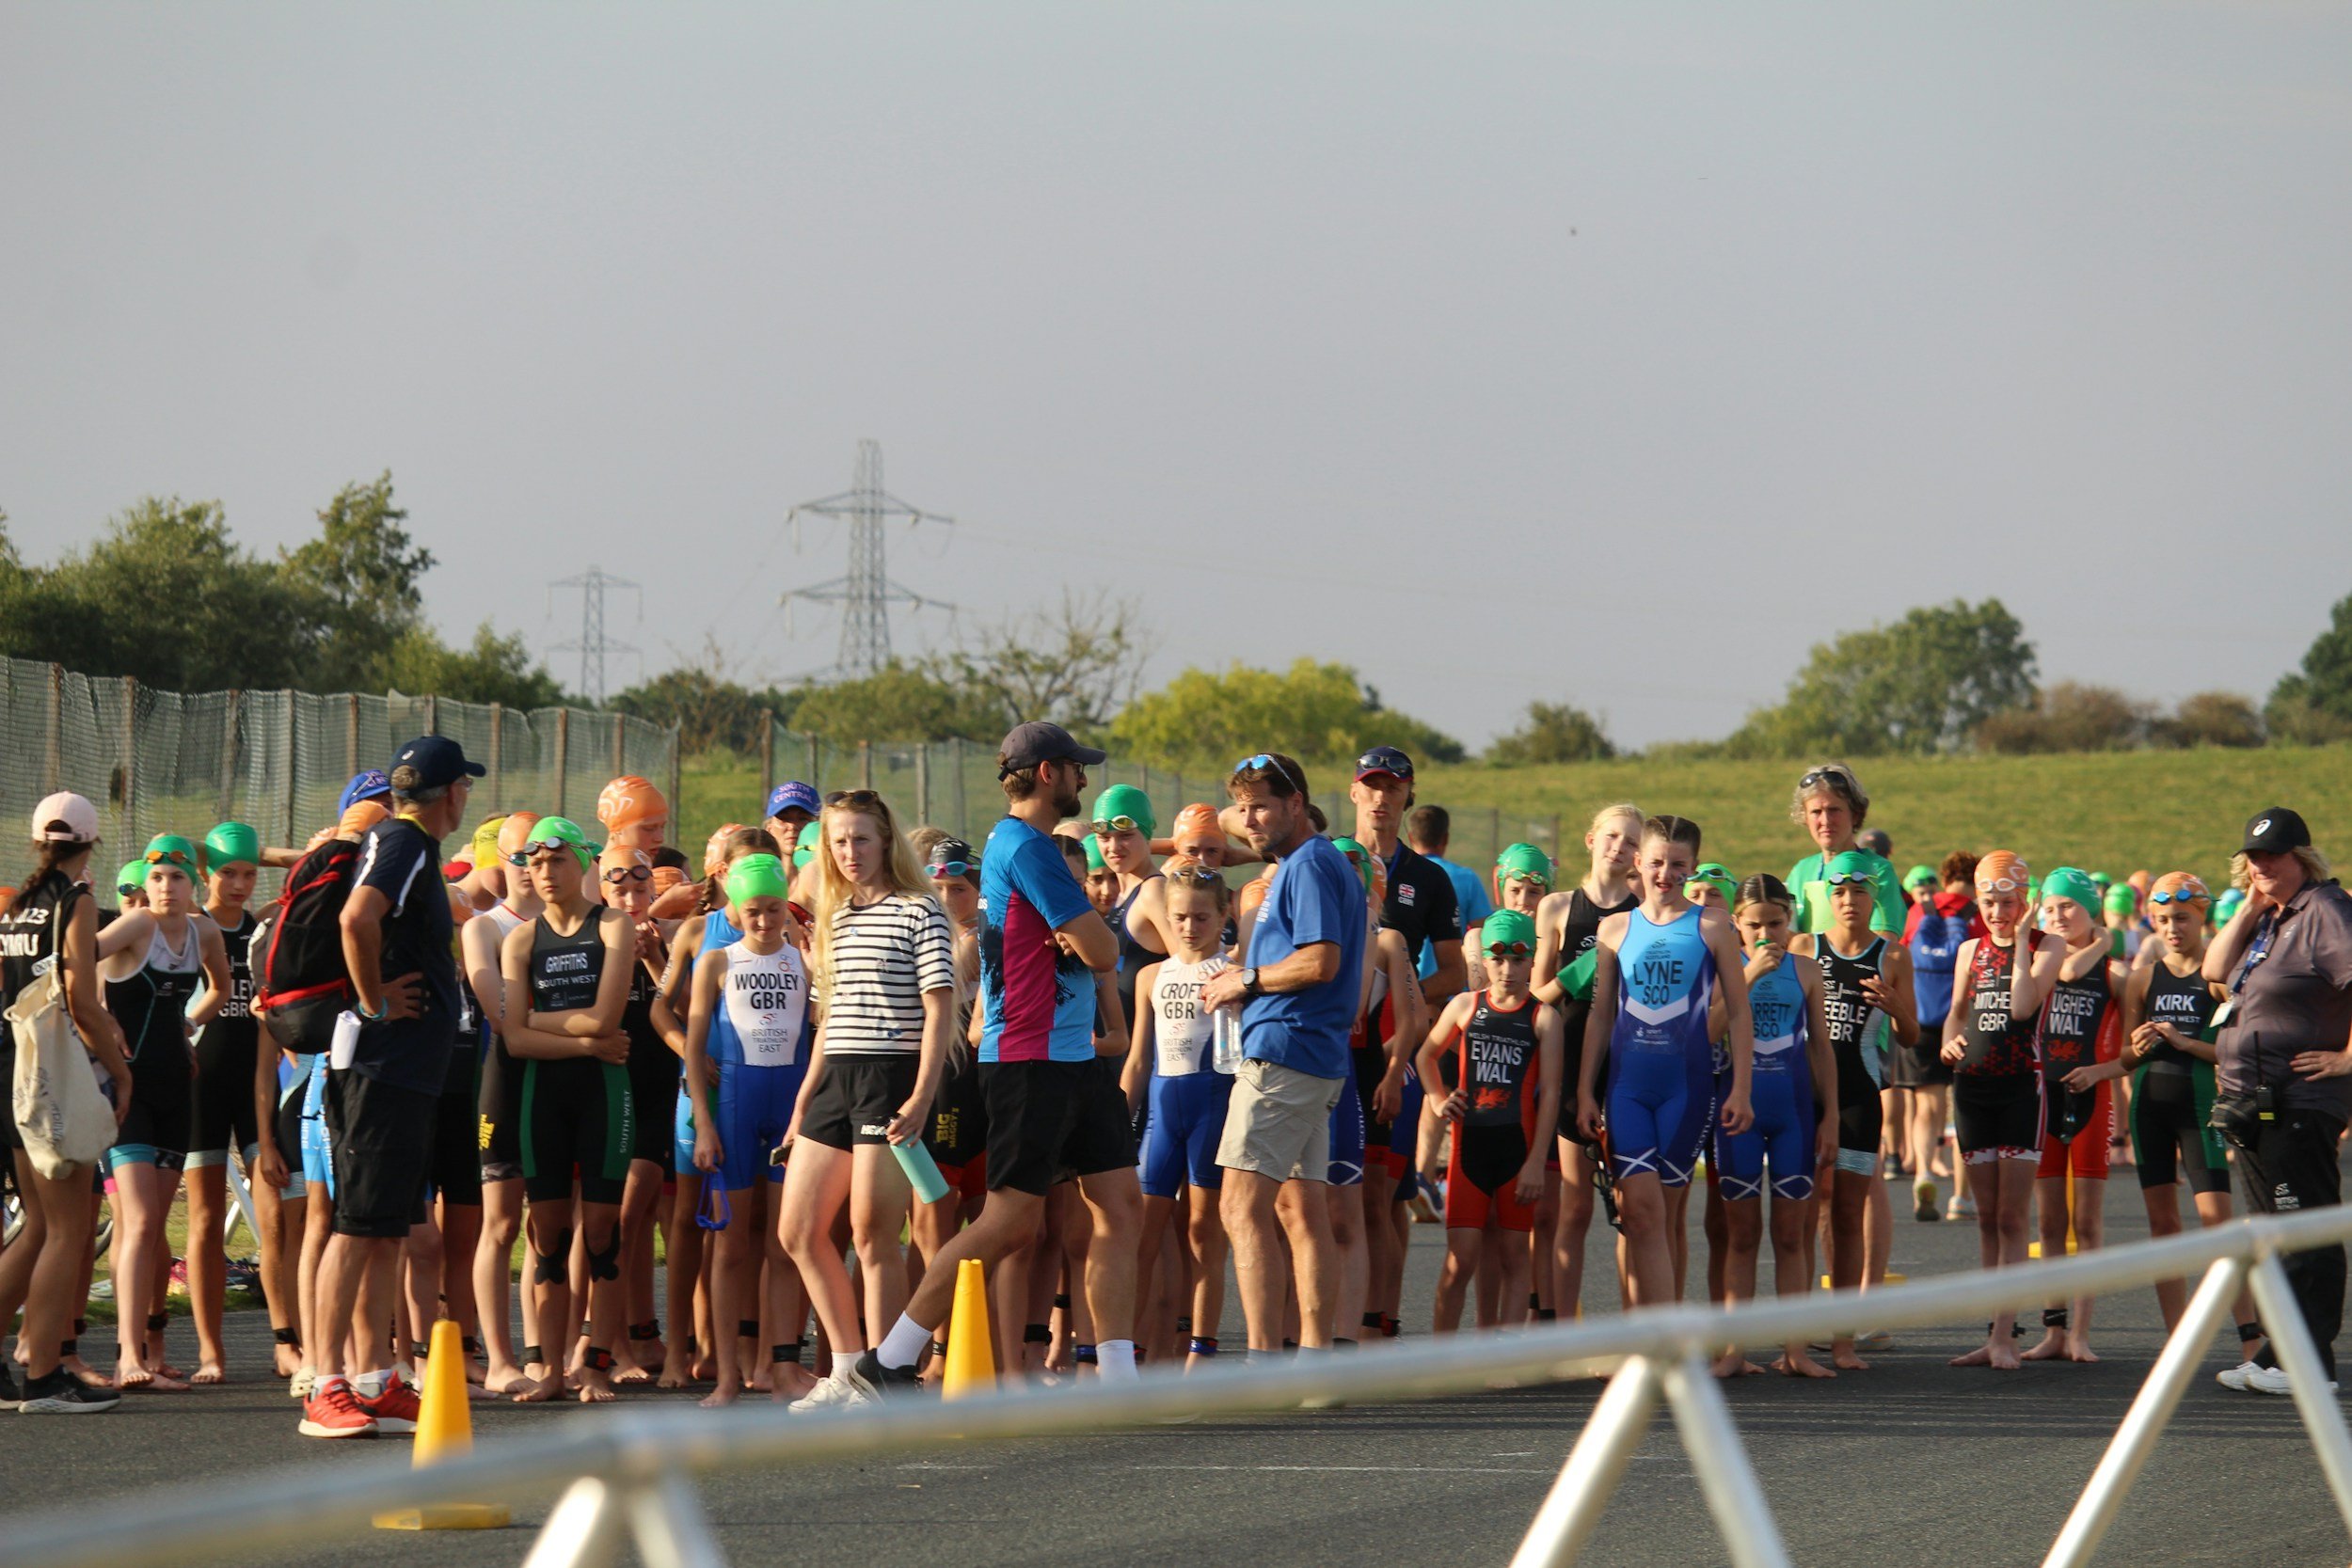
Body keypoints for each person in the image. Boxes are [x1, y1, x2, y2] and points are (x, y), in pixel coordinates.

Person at [860, 721, 1133, 1395]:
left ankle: (1121, 1375)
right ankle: (891, 1357)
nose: (1084, 780)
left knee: (1122, 1204)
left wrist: (1081, 938)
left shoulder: (1027, 845)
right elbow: (1103, 951)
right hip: (1030, 1057)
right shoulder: (1027, 845)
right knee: (1009, 1220)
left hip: (1072, 1057)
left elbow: (1094, 946)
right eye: (1075, 768)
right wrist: (1084, 938)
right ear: (1047, 774)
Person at [303, 736, 480, 1438]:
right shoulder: (404, 844)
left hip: (405, 1073)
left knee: (386, 1230)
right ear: (450, 793)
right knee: (355, 1228)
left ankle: (374, 1378)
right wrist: (374, 999)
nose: (467, 795)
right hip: (380, 1068)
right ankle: (326, 1382)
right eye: (464, 785)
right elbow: (356, 918)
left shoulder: (405, 845)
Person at [778, 789, 954, 1410]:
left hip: (891, 1077)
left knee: (874, 1233)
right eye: (839, 841)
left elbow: (939, 1012)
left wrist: (921, 1095)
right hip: (835, 1080)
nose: (850, 851)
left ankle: (884, 1379)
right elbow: (828, 1019)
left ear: (886, 841)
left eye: (861, 838)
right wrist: (803, 1107)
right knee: (799, 1229)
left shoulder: (919, 910)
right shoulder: (835, 914)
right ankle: (848, 1367)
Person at [1200, 752, 1366, 1354]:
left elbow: (1321, 962)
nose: (1249, 820)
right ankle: (1314, 1362)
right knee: (1302, 1214)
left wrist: (1244, 982)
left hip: (1287, 1055)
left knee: (1240, 1210)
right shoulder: (1300, 862)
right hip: (1304, 1056)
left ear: (1297, 803)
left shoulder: (1310, 865)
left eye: (1262, 805)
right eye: (1242, 809)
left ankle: (1263, 1361)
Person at [2066, 872, 2262, 1356]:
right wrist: (2100, 1069)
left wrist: (2183, 1041)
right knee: (2163, 1229)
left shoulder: (2219, 980)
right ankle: (2180, 1343)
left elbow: (2233, 1054)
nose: (2172, 929)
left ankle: (2251, 1340)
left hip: (2199, 1111)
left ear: (2201, 918)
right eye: (2163, 920)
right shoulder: (2142, 977)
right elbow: (2135, 1055)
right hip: (2150, 1109)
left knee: (2217, 1223)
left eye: (2182, 918)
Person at [1576, 815, 1754, 1309]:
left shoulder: (1715, 926)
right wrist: (1586, 1090)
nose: (1665, 874)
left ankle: (1662, 1339)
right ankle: (1650, 1339)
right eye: (1656, 863)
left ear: (1693, 867)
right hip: (1627, 1088)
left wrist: (1740, 1088)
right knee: (1639, 1217)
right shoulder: (1613, 929)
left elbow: (1738, 1012)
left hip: (1687, 1089)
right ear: (1639, 862)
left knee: (1662, 1217)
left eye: (1678, 865)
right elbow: (1600, 1017)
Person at [2204, 808, 2352, 1394]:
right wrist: (2247, 907)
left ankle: (2308, 1363)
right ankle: (2274, 1353)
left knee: (2302, 1228)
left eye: (2273, 856)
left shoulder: (2327, 910)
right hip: (2256, 1102)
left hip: (2301, 1098)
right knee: (2271, 1233)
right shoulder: (2272, 917)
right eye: (2253, 858)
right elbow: (2215, 973)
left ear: (2302, 857)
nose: (2261, 866)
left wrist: (2348, 1058)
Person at [0, 793, 133, 1414]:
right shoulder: (73, 900)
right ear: (91, 842)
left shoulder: (15, 903)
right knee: (68, 1227)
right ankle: (45, 1374)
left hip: (9, 1071)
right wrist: (116, 1066)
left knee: (36, 1224)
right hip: (47, 1076)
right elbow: (81, 997)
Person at [499, 816, 636, 1404]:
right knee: (547, 1236)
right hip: (544, 1095)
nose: (545, 873)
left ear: (583, 864)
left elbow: (608, 1018)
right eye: (534, 863)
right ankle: (552, 1370)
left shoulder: (614, 925)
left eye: (557, 861)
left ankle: (597, 1364)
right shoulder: (521, 940)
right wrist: (582, 1042)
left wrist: (538, 1022)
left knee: (602, 1235)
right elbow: (513, 1038)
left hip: (603, 1093)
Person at [101, 835, 233, 1390]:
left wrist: (186, 1028)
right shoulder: (135, 927)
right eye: (156, 879)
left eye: (176, 878)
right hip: (124, 1091)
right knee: (138, 1220)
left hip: (176, 1090)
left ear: (193, 885)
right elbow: (71, 964)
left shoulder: (204, 931)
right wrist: (102, 1025)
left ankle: (150, 1351)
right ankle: (128, 1355)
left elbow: (221, 988)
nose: (165, 888)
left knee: (152, 1227)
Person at [683, 853, 813, 1406]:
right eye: (753, 911)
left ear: (788, 906)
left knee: (784, 1245)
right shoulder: (716, 961)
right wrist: (705, 1124)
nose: (764, 922)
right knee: (730, 1247)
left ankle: (779, 1367)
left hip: (788, 1110)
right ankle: (729, 1375)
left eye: (774, 910)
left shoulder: (807, 961)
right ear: (735, 910)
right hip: (733, 1107)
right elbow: (692, 1049)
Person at [1789, 849, 1917, 1370]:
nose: (1848, 902)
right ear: (1827, 899)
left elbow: (1910, 1037)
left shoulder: (1893, 956)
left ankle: (1844, 1339)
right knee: (1808, 1211)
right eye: (1839, 893)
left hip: (1861, 1098)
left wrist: (1894, 1006)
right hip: (1807, 1095)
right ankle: (1805, 1330)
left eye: (1859, 893)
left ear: (1874, 899)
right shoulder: (1803, 947)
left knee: (1847, 1213)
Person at [1940, 849, 2063, 1371]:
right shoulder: (1968, 949)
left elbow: (2020, 1008)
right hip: (1971, 1088)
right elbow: (1956, 1015)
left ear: (2024, 903)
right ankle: (1994, 1334)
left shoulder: (2047, 945)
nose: (1997, 913)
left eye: (2008, 903)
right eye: (1989, 902)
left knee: (2013, 1217)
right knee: (1986, 1217)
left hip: (2020, 1089)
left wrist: (2018, 945)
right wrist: (1948, 1044)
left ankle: (2008, 1335)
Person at [1714, 875, 1836, 1378]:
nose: (1766, 935)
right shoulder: (1724, 967)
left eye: (1776, 924)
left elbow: (1820, 1046)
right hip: (1737, 1110)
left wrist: (1829, 1116)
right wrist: (1749, 976)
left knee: (1791, 1236)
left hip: (1792, 1112)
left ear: (1790, 922)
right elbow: (1706, 1030)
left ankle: (1796, 1350)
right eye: (1755, 925)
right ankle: (1734, 1352)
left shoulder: (1807, 969)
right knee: (1741, 1236)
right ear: (1736, 926)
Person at [1418, 909, 1562, 1333]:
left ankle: (1506, 1357)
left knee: (1516, 1256)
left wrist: (1537, 1161)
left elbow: (1551, 1092)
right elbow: (1426, 1055)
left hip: (1518, 1152)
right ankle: (1442, 1360)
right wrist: (1438, 1099)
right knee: (1459, 1261)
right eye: (1497, 959)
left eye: (1518, 959)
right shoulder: (1466, 1006)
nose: (1507, 970)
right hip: (1469, 1154)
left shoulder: (1544, 1018)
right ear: (1483, 960)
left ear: (1532, 960)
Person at [1533, 802, 1642, 1325]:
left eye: (1631, 841)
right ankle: (1563, 1330)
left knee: (1630, 1212)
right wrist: (1576, 975)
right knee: (1573, 1209)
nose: (1620, 846)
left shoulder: (1647, 911)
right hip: (1570, 1066)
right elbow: (1532, 998)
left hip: (1627, 1066)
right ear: (1591, 839)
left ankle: (1630, 1330)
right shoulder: (1557, 907)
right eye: (1612, 835)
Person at [1126, 860, 1237, 1370]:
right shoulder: (1151, 975)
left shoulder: (1235, 972)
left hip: (1213, 1106)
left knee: (1202, 1233)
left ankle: (1202, 1350)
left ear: (1223, 916)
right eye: (1178, 918)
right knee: (1143, 1236)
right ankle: (1130, 1351)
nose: (1189, 927)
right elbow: (1137, 1059)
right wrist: (1118, 1118)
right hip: (1161, 1111)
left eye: (1201, 917)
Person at [2022, 867, 2123, 1363]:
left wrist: (2100, 1071)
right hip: (2042, 1100)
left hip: (2090, 1100)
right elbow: (2064, 972)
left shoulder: (2117, 974)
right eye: (2050, 907)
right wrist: (2102, 940)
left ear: (2091, 910)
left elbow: (2132, 1051)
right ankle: (2054, 1331)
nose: (2058, 916)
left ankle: (2081, 1333)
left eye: (2069, 907)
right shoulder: (2042, 963)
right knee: (2048, 1224)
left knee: (2086, 1222)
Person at [184, 822, 271, 1383]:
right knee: (206, 1218)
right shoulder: (190, 927)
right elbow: (172, 846)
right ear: (203, 874)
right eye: (226, 873)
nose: (238, 885)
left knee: (279, 1214)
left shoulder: (266, 928)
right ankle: (210, 1349)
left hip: (257, 1084)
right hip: (201, 1086)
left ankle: (290, 1339)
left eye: (248, 873)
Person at [465, 810, 541, 1394]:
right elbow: (503, 1016)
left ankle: (542, 1351)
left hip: (566, 1084)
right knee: (500, 1225)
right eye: (518, 857)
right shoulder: (483, 928)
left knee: (553, 1225)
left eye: (539, 856)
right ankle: (499, 1357)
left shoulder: (578, 925)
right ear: (498, 861)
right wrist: (585, 1029)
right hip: (505, 1083)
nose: (530, 868)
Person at [1899, 851, 1980, 1221]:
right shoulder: (1978, 913)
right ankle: (1961, 1197)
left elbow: (1902, 951)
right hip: (1963, 1020)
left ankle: (1924, 1173)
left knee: (1927, 1107)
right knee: (1962, 1108)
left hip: (1921, 1016)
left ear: (1946, 878)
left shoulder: (1920, 910)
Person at [1350, 747, 1465, 1006]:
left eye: (1392, 788)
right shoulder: (1329, 857)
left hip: (1393, 1026)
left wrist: (1403, 1000)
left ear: (1409, 798)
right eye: (1372, 786)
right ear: (1354, 793)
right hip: (1330, 1013)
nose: (1380, 797)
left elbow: (1454, 974)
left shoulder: (1430, 876)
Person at [1784, 764, 1905, 938]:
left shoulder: (1878, 870)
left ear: (1855, 814)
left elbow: (1885, 943)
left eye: (1834, 810)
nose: (1825, 820)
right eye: (1816, 812)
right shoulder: (1800, 871)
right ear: (1805, 818)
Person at [1406, 805, 1495, 987]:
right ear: (1445, 838)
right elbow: (1486, 936)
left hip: (1408, 988)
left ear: (1410, 837)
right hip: (1450, 991)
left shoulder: (1402, 877)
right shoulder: (1467, 878)